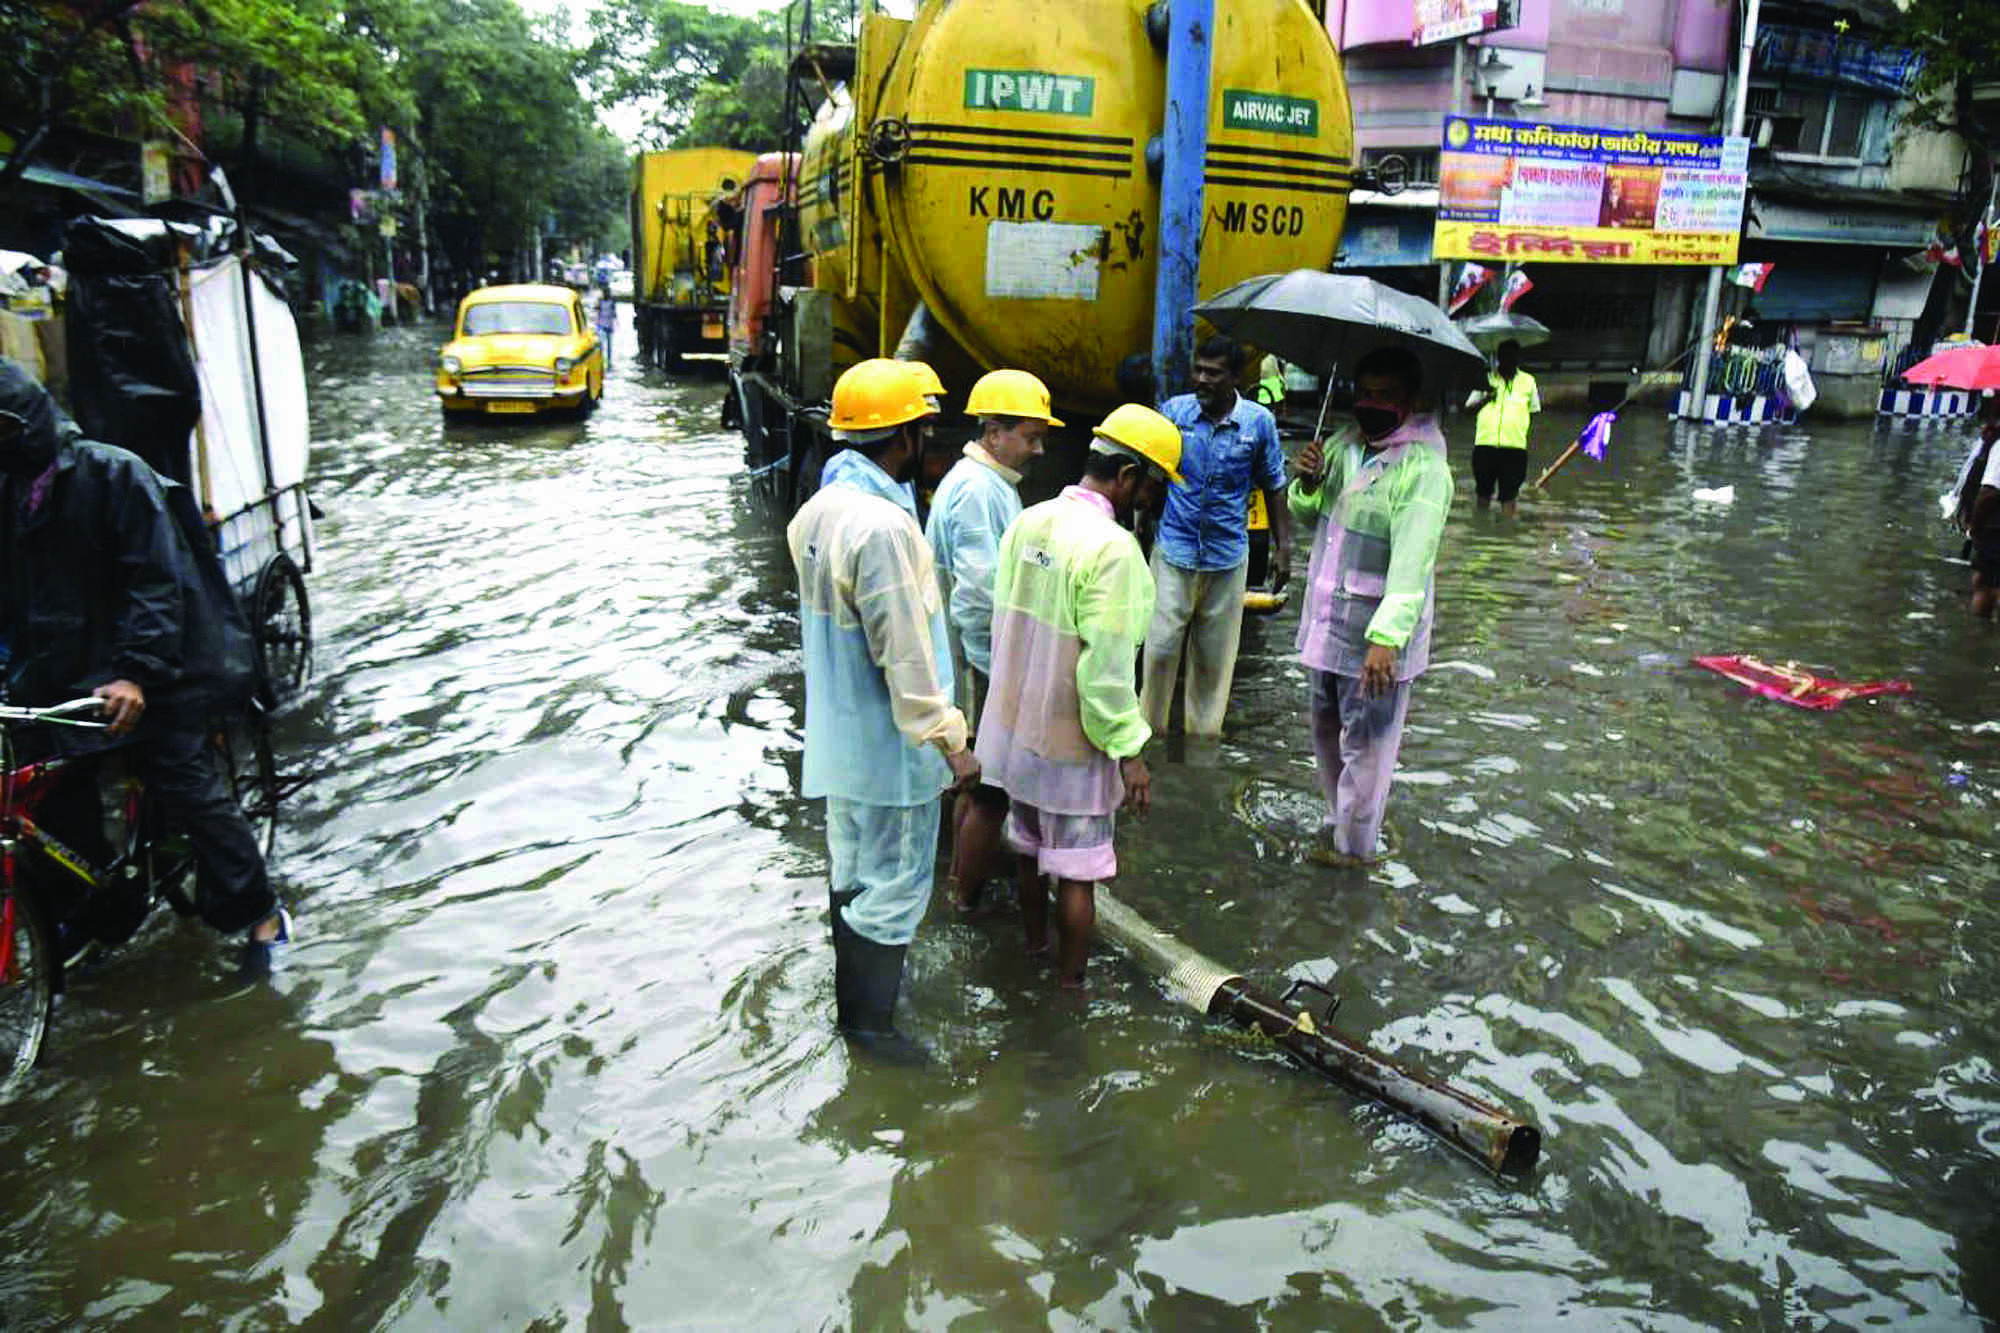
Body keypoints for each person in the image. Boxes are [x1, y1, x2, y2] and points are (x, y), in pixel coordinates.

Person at [0, 359, 291, 964]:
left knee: (186, 784)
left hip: (158, 666)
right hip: (62, 670)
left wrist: (134, 670)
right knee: (45, 793)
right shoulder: (9, 494)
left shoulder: (114, 476)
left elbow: (157, 584)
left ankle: (259, 914)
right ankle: (83, 909)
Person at [788, 359, 979, 1057]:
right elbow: (904, 650)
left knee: (851, 870)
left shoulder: (818, 510)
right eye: (924, 429)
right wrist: (951, 740)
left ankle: (851, 1010)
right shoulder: (884, 529)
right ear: (903, 436)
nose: (929, 441)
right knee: (895, 883)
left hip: (841, 741)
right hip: (892, 747)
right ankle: (870, 1028)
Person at [977, 405, 1177, 987]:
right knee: (1078, 873)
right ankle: (1069, 992)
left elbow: (1003, 630)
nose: (1150, 499)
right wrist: (1131, 754)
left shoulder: (1029, 521)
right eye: (1151, 486)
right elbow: (1107, 673)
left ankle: (1035, 951)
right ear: (1128, 477)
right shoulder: (1115, 551)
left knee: (1027, 852)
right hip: (1071, 744)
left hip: (1014, 733)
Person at [1289, 345, 1453, 862]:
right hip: (1327, 625)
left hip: (1374, 642)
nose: (1370, 404)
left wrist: (1386, 639)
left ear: (1409, 400)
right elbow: (1308, 516)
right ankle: (1338, 831)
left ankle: (1355, 857)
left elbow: (1413, 561)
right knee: (1327, 736)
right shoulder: (1342, 445)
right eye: (1364, 393)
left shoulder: (1423, 469)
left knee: (1368, 754)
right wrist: (1308, 482)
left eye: (1385, 396)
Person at [924, 369, 1058, 913]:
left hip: (971, 659)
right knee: (989, 791)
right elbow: (977, 597)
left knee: (975, 783)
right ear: (994, 431)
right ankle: (964, 898)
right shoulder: (978, 493)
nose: (1039, 449)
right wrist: (1004, 671)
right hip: (978, 660)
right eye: (1030, 436)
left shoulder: (982, 484)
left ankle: (959, 878)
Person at [1141, 335, 1291, 738]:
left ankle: (1202, 746)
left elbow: (1274, 484)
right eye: (1198, 370)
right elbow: (1153, 480)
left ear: (1235, 377)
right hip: (1174, 550)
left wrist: (1284, 547)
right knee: (1157, 649)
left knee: (1213, 662)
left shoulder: (1259, 423)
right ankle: (1144, 740)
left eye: (1213, 373)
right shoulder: (1174, 413)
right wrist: (1139, 535)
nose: (1202, 379)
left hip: (1227, 558)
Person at [1469, 338, 1540, 516]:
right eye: (1504, 356)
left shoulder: (1528, 382)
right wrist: (1486, 398)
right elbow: (1467, 410)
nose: (1508, 360)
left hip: (1515, 448)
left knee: (1509, 496)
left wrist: (1522, 436)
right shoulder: (1486, 379)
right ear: (1499, 357)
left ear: (1518, 358)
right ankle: (1481, 528)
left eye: (1512, 356)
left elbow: (1534, 412)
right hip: (1485, 445)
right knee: (1482, 493)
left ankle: (1506, 534)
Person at [1951, 396, 2000, 618]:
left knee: (1984, 583)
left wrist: (1975, 527)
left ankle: (1978, 638)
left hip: (1994, 528)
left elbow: (1990, 492)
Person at [593, 287, 617, 371]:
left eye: (608, 292)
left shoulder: (611, 301)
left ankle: (608, 361)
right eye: (606, 292)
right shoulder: (601, 301)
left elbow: (614, 314)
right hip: (602, 325)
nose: (607, 294)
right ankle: (603, 360)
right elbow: (597, 311)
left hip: (608, 326)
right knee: (602, 345)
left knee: (608, 346)